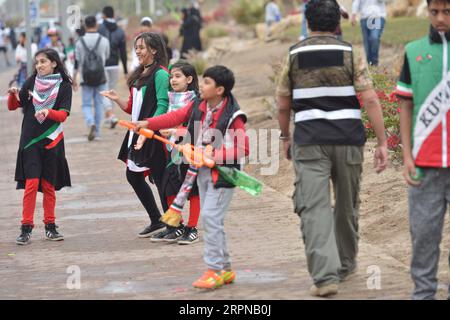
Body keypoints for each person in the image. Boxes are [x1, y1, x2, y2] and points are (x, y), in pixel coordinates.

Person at [276, 0, 388, 297]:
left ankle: (325, 277)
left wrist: (284, 137)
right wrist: (383, 142)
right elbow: (371, 99)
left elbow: (283, 103)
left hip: (310, 140)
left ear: (308, 22)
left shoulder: (294, 55)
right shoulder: (350, 54)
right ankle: (347, 262)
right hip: (348, 140)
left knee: (314, 207)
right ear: (337, 23)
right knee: (347, 203)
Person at [134, 65, 249, 289]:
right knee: (214, 220)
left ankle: (214, 270)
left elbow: (243, 148)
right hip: (201, 171)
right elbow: (175, 116)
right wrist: (148, 123)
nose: (202, 85)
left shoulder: (234, 115)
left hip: (224, 174)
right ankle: (224, 269)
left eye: (207, 82)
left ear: (220, 90)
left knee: (210, 218)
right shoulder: (199, 105)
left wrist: (214, 154)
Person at [396, 0, 450, 300]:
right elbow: (405, 104)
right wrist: (406, 156)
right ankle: (424, 294)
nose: (440, 18)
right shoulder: (414, 51)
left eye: (447, 12)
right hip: (424, 164)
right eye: (434, 12)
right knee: (424, 237)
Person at [101, 32, 170, 238]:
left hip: (152, 133)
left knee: (160, 179)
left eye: (142, 47)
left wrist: (149, 128)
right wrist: (117, 100)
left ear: (154, 50)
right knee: (133, 175)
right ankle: (156, 219)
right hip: (137, 131)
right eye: (136, 47)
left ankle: (174, 225)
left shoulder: (161, 74)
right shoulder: (139, 74)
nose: (138, 51)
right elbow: (132, 107)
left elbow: (163, 105)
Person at [7, 48, 73, 245]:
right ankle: (25, 228)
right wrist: (13, 95)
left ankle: (50, 227)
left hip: (52, 139)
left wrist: (47, 112)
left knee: (48, 185)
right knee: (31, 183)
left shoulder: (64, 86)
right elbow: (14, 105)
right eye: (37, 62)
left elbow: (63, 115)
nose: (39, 65)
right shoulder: (32, 81)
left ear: (54, 63)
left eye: (43, 61)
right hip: (30, 140)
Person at [149, 61, 201, 245]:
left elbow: (196, 128)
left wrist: (176, 132)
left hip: (190, 151)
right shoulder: (171, 99)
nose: (173, 80)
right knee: (169, 189)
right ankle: (176, 225)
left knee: (193, 191)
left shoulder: (196, 101)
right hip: (172, 151)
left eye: (178, 76)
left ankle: (192, 228)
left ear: (189, 79)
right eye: (171, 76)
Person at [73, 15, 110, 142]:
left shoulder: (79, 42)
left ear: (85, 26)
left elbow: (77, 63)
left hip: (86, 78)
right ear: (96, 25)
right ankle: (98, 132)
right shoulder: (104, 40)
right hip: (101, 77)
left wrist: (73, 78)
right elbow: (107, 55)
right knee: (99, 103)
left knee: (87, 104)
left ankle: (90, 122)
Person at [98, 6, 128, 129]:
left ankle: (110, 116)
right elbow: (123, 53)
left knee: (104, 91)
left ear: (104, 15)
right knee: (112, 91)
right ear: (113, 14)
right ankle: (109, 117)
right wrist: (125, 70)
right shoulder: (120, 31)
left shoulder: (99, 29)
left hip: (103, 65)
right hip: (115, 65)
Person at [351, 0, 387, 66]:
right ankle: (370, 64)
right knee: (367, 43)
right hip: (364, 18)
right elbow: (356, 2)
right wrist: (353, 14)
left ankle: (375, 61)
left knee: (374, 38)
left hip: (377, 17)